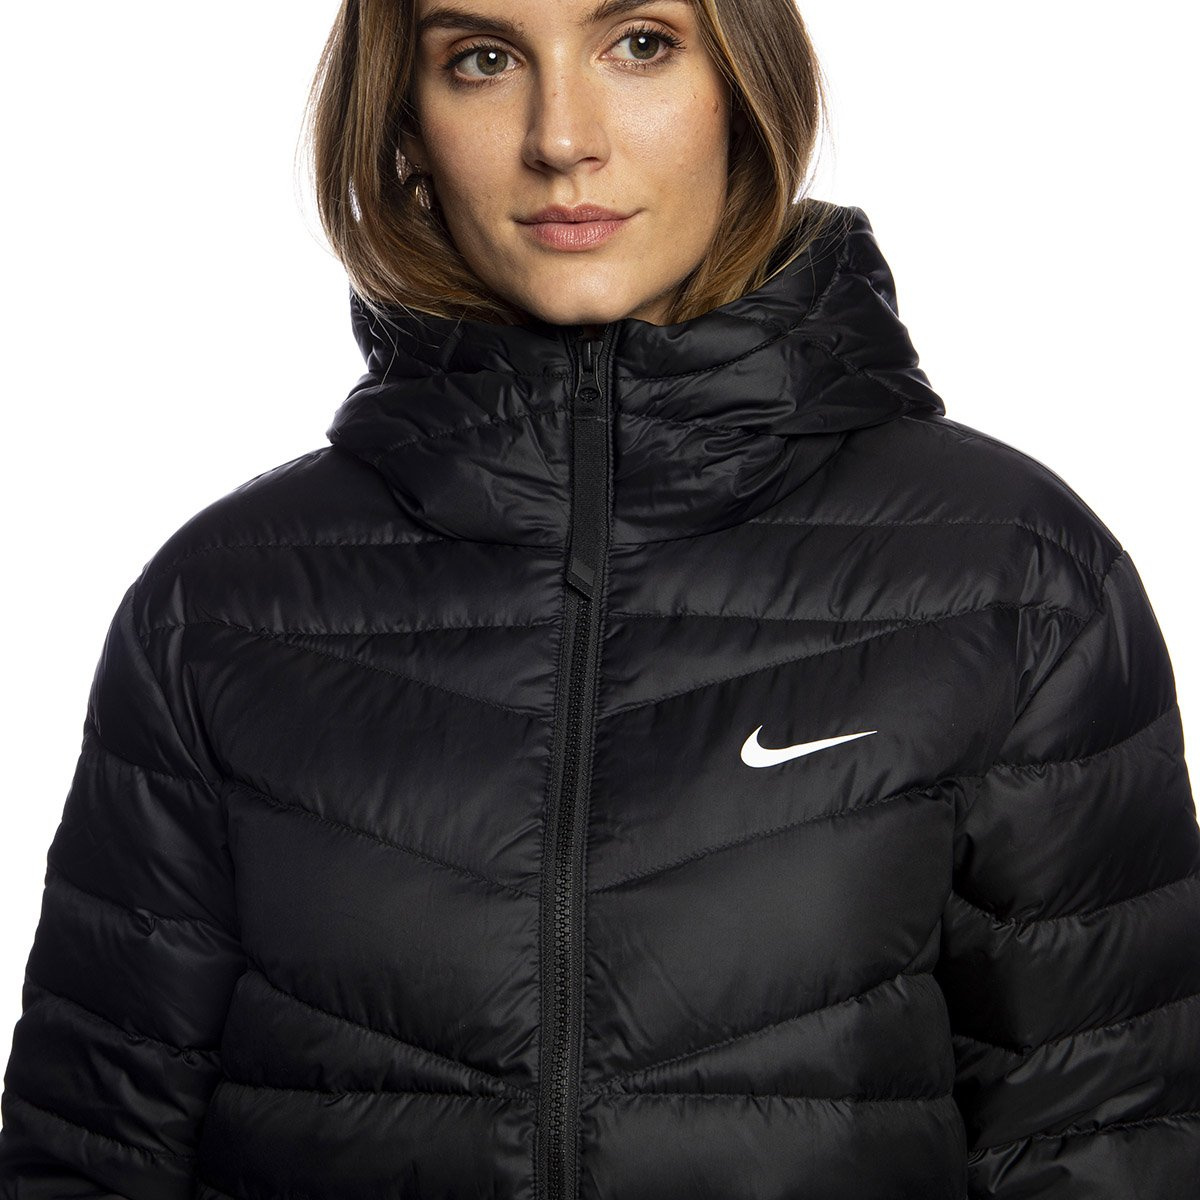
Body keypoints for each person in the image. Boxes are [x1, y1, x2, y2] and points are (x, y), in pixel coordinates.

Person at [1, 0, 1198, 1195]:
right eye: (482, 60)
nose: (562, 138)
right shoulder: (221, 608)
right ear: (403, 119)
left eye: (640, 44)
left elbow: (1109, 1147)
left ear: (747, 84)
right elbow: (88, 1159)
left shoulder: (1009, 579)